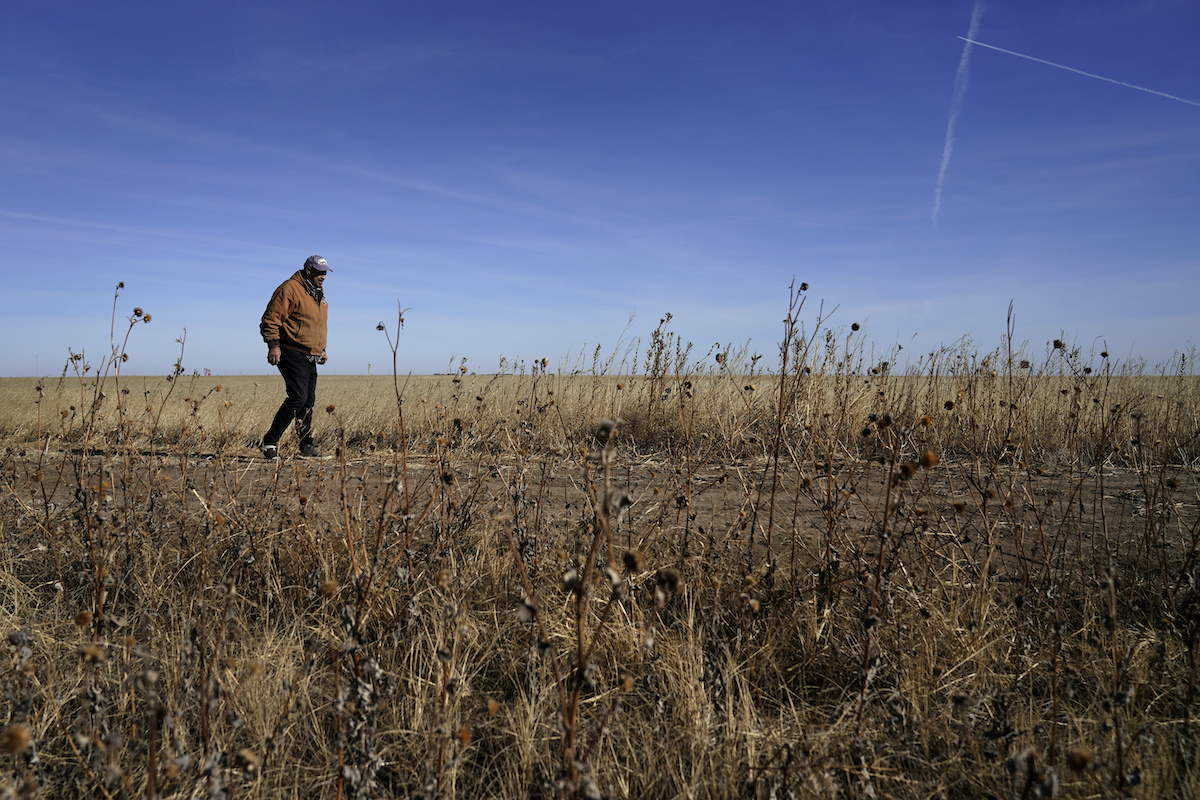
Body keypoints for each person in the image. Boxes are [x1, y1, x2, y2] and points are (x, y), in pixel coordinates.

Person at [259, 255, 330, 460]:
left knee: (307, 401)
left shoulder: (317, 293)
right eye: (318, 272)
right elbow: (270, 319)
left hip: (310, 354)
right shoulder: (290, 288)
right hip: (290, 350)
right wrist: (274, 345)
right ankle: (269, 442)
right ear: (308, 270)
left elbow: (315, 325)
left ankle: (305, 446)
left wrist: (321, 349)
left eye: (325, 273)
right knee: (298, 397)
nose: (322, 276)